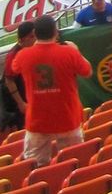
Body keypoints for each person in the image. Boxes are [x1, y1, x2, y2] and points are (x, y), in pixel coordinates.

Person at [12, 14, 92, 166]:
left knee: (35, 166)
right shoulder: (69, 52)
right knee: (74, 163)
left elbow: (14, 68)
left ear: (35, 34)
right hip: (68, 117)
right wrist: (77, 51)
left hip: (37, 120)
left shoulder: (23, 55)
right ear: (56, 32)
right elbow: (87, 72)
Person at [0, 20, 35, 138]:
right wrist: (21, 103)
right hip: (14, 100)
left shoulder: (30, 50)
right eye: (31, 36)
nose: (35, 39)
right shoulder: (13, 55)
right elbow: (9, 81)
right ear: (22, 39)